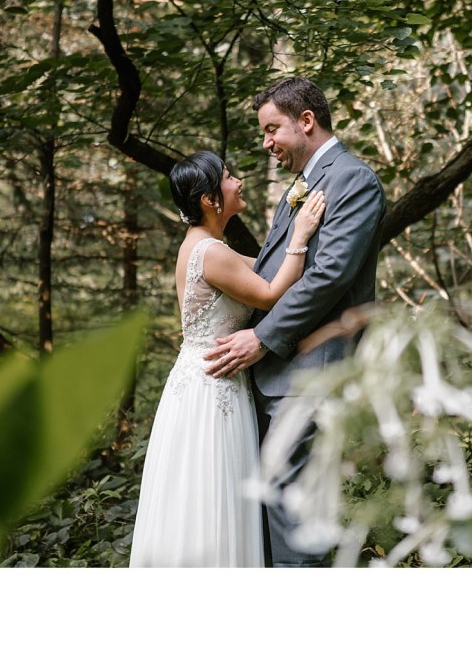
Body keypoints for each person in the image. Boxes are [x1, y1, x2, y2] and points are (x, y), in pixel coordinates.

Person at [204, 77, 386, 567]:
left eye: (271, 129)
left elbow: (328, 276)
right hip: (280, 375)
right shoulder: (303, 185)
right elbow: (276, 270)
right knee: (276, 508)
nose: (265, 144)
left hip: (309, 370)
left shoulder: (351, 179)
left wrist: (261, 338)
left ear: (306, 121)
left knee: (294, 514)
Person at [129, 150, 326, 567]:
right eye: (229, 177)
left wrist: (294, 237)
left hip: (208, 380)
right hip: (212, 389)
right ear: (208, 198)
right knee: (212, 492)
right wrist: (301, 236)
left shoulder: (206, 247)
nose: (238, 182)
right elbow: (272, 293)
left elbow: (267, 274)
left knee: (205, 496)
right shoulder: (212, 253)